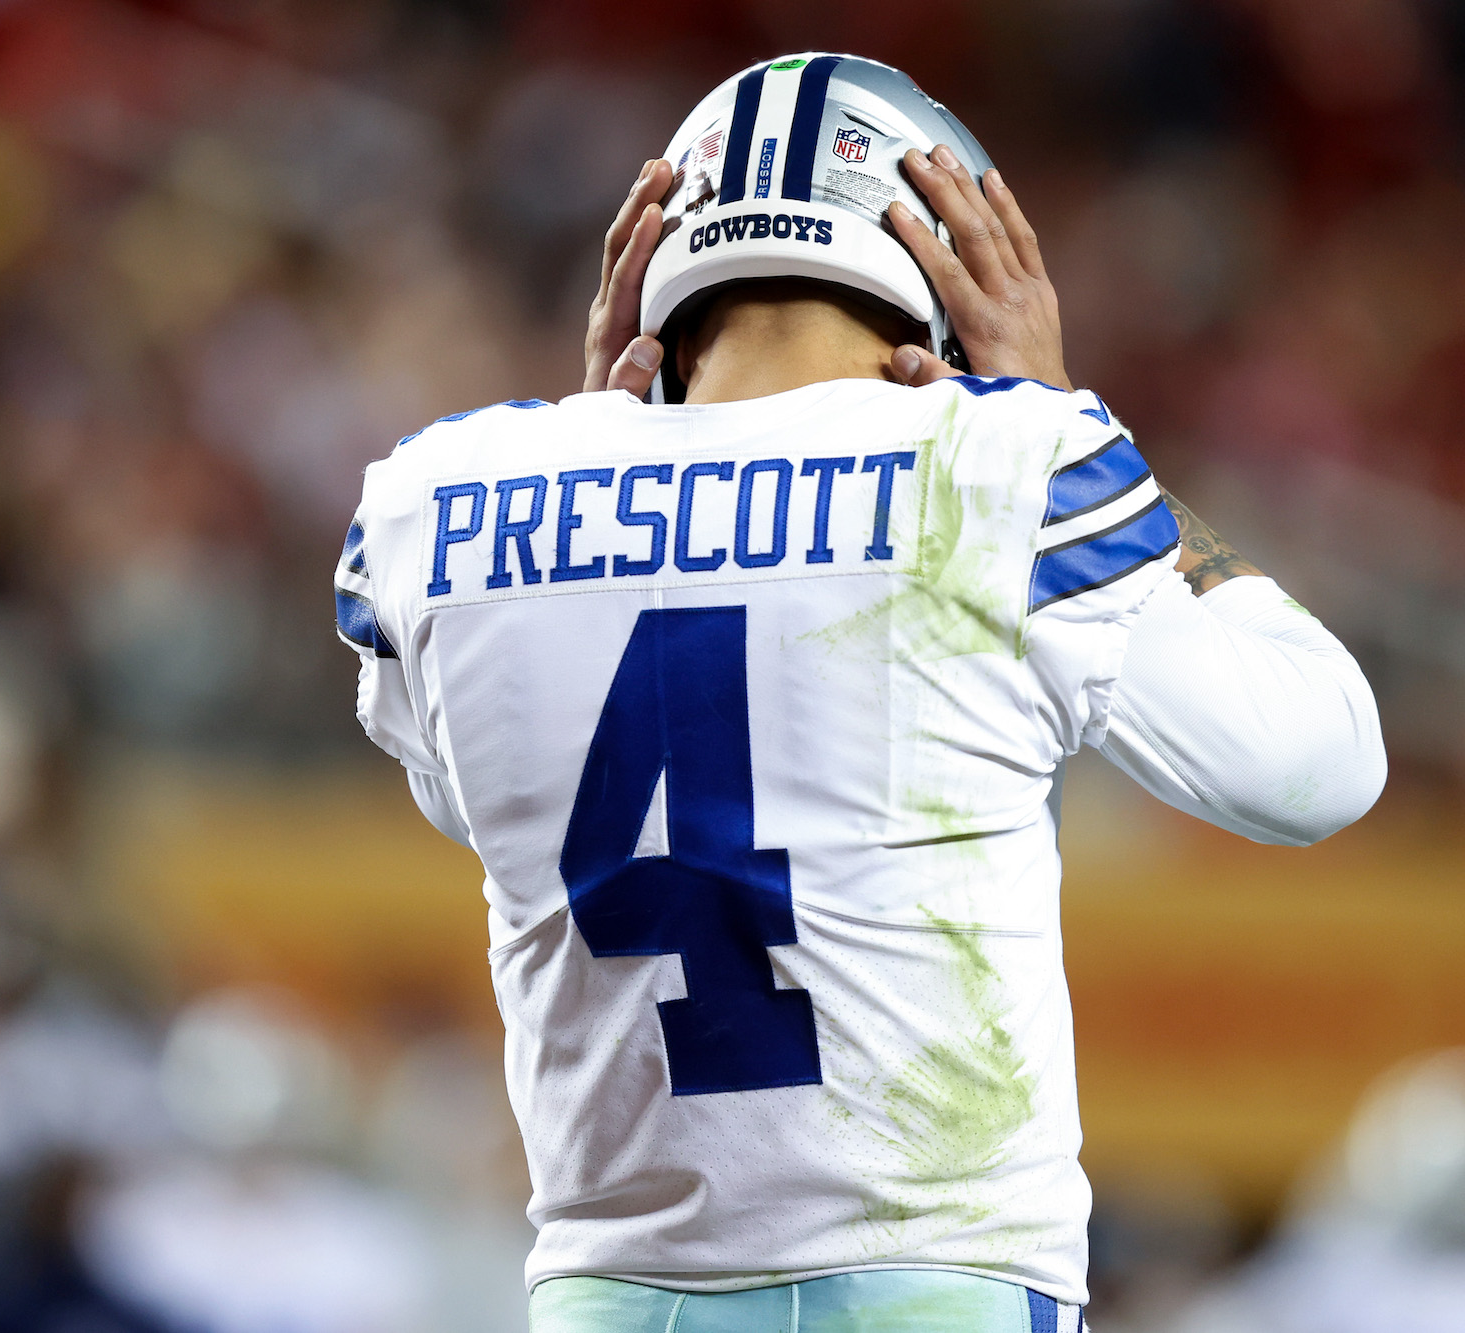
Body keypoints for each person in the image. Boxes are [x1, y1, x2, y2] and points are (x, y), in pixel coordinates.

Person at [335, 52, 1385, 1332]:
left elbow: (493, 804)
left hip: (606, 1296)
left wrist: (611, 450)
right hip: (933, 1285)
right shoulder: (1004, 459)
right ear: (943, 291)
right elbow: (1320, 763)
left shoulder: (433, 496)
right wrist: (1063, 421)